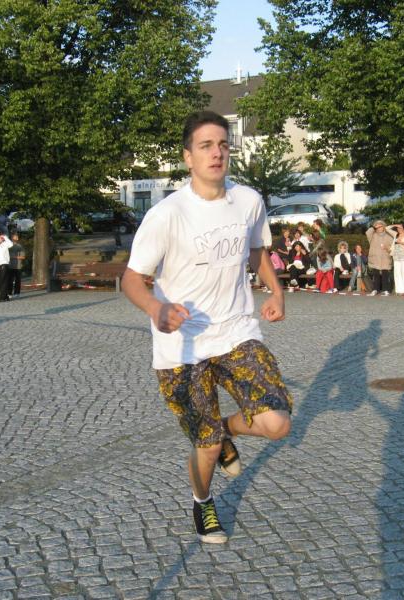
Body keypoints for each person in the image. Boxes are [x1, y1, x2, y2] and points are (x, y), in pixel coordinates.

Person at [121, 110, 292, 544]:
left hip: (236, 332)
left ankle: (226, 430)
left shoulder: (248, 201)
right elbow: (131, 279)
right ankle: (203, 501)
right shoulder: (167, 214)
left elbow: (257, 251)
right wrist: (156, 309)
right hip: (182, 347)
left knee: (277, 423)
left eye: (222, 145)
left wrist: (275, 291)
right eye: (206, 146)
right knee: (207, 445)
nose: (217, 153)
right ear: (188, 157)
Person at [366, 220, 394, 296]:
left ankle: (386, 290)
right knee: (376, 275)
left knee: (385, 275)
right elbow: (367, 232)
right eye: (377, 226)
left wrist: (386, 248)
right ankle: (375, 289)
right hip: (375, 258)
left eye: (380, 226)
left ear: (384, 227)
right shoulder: (372, 235)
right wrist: (374, 227)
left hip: (385, 258)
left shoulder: (389, 236)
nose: (379, 228)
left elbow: (392, 247)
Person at [386, 224, 404, 295]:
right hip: (396, 256)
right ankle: (399, 290)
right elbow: (387, 228)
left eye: (400, 228)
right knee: (397, 273)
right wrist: (395, 225)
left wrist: (401, 243)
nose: (399, 229)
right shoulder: (395, 234)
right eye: (398, 228)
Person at [8, 232, 25, 297]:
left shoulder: (19, 246)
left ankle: (17, 293)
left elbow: (23, 257)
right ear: (12, 238)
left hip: (18, 266)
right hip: (10, 266)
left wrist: (13, 257)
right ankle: (9, 293)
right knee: (10, 280)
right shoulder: (8, 246)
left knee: (17, 280)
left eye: (17, 237)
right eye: (15, 237)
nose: (17, 238)